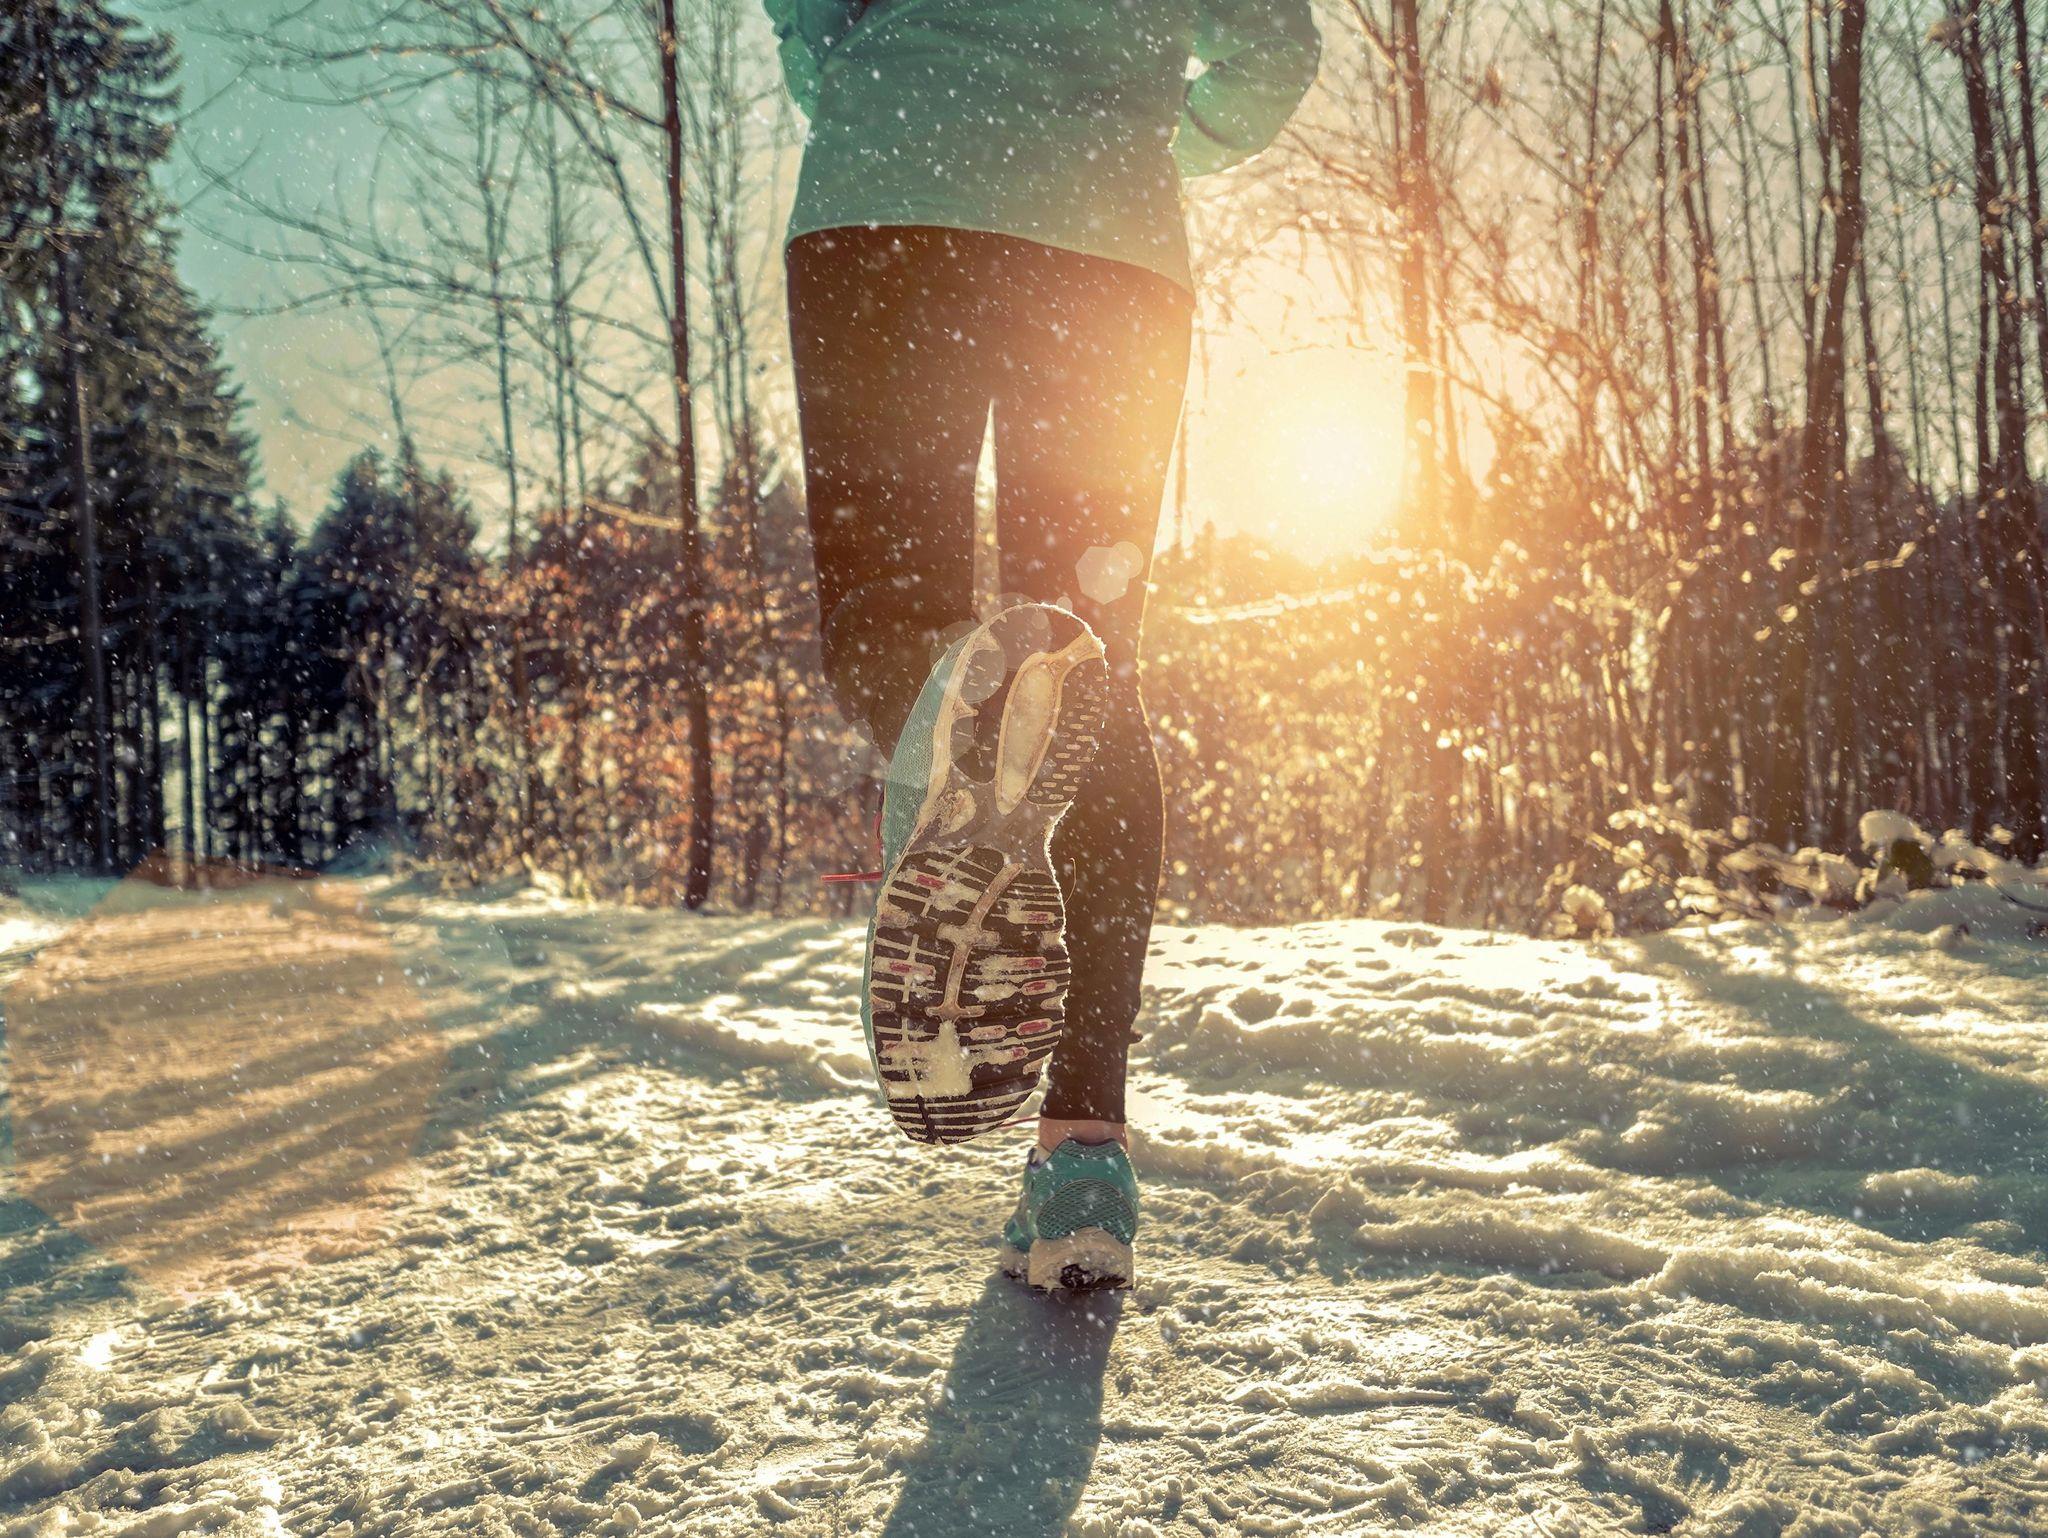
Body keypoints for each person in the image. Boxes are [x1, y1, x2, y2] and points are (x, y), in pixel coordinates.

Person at [768, 0, 1319, 1290]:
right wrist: (1141, 133)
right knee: (1084, 667)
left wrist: (875, 82)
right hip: (1106, 241)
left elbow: (805, 16)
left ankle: (961, 752)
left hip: (893, 194)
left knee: (888, 617)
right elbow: (1275, 49)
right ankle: (1084, 1161)